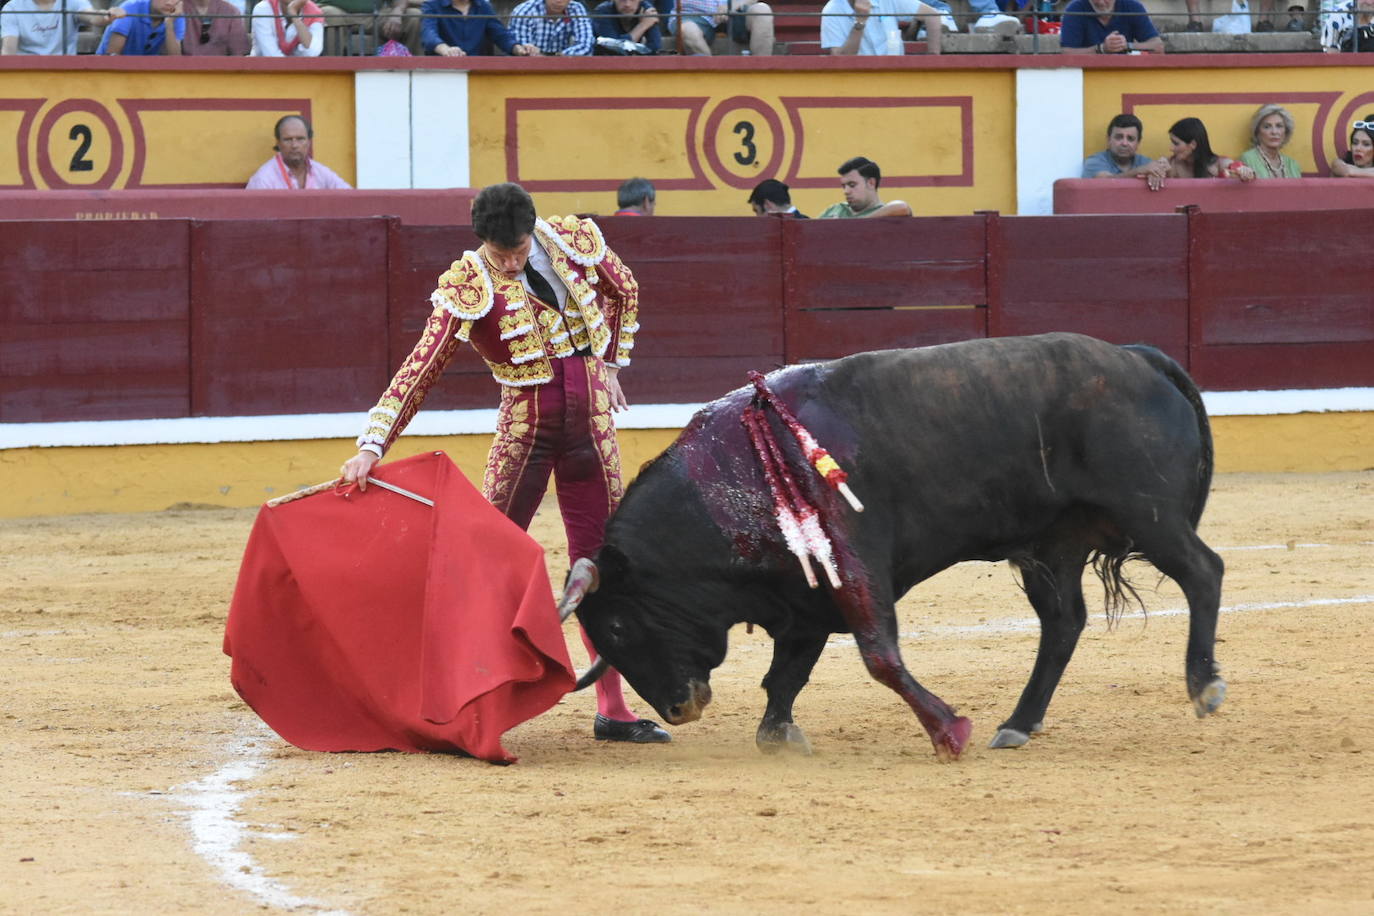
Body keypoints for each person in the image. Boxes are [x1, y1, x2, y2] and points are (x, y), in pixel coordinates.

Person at [340, 182, 670, 745]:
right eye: (501, 255)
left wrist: (612, 363)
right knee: (484, 559)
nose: (512, 263)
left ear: (533, 229)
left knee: (603, 560)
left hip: (592, 423)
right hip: (526, 430)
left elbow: (625, 289)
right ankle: (462, 698)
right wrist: (372, 445)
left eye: (518, 250)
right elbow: (420, 369)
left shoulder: (569, 241)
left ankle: (612, 708)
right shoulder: (469, 283)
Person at [1144, 116, 1255, 190]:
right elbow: (1131, 176)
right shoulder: (1169, 164)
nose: (1171, 148)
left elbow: (1238, 169)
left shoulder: (1219, 164)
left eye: (1176, 143)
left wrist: (1246, 172)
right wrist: (1154, 172)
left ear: (1192, 144)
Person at [245, 115, 352, 189]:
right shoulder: (263, 179)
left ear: (309, 142)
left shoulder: (320, 171)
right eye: (288, 139)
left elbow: (350, 197)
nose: (294, 145)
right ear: (278, 143)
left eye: (300, 139)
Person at [820, 0, 943, 56]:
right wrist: (860, 22)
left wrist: (933, 56)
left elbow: (932, 15)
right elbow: (841, 58)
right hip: (857, 76)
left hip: (896, 72)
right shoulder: (832, 10)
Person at [1, 0, 124, 55]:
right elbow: (8, 50)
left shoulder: (73, 2)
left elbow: (93, 17)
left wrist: (107, 15)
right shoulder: (12, 8)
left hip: (64, 71)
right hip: (26, 73)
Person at [422, 0, 537, 55]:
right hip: (441, 69)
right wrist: (446, 50)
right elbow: (429, 35)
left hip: (477, 70)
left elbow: (501, 36)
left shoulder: (484, 6)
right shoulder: (432, 5)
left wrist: (519, 49)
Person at [665, 0, 775, 56]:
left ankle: (760, 72)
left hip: (733, 13)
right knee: (687, 30)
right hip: (692, 15)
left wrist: (729, 7)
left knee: (763, 10)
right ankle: (712, 78)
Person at [818, 156, 912, 218]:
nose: (846, 191)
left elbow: (902, 207)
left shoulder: (886, 214)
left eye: (852, 185)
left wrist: (856, 225)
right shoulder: (835, 210)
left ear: (871, 183)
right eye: (844, 186)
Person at [1059, 0, 1164, 54]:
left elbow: (1158, 47)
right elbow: (1066, 52)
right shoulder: (1074, 9)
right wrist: (1101, 49)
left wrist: (1127, 46)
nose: (1101, 2)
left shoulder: (1133, 6)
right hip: (1088, 75)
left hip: (1126, 72)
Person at [1081, 113, 1160, 178]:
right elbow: (1105, 182)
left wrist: (1161, 171)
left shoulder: (1145, 162)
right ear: (1108, 139)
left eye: (1130, 139)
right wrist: (1138, 171)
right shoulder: (1094, 161)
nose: (1124, 143)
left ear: (1138, 143)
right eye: (1119, 137)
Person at [97, 0, 185, 54]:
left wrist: (169, 23)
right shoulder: (130, 7)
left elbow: (174, 58)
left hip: (146, 71)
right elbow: (112, 55)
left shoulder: (176, 16)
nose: (169, 2)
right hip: (109, 69)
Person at [1239, 104, 1301, 179]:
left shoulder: (1292, 164)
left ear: (1286, 132)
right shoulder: (1248, 159)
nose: (1274, 132)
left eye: (1279, 126)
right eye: (1267, 127)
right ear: (1258, 132)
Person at [509, 0, 594, 55]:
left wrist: (558, 57)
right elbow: (521, 50)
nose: (559, 1)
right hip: (527, 68)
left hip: (563, 66)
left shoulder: (576, 8)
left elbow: (586, 45)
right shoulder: (525, 11)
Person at [249, 0, 322, 56]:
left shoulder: (314, 11)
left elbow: (312, 52)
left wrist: (294, 15)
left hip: (300, 71)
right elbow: (270, 55)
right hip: (261, 70)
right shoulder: (263, 8)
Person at [181, 0, 250, 55]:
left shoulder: (231, 11)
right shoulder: (178, 10)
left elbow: (238, 55)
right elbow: (173, 56)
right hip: (183, 70)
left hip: (222, 70)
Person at [591, 0, 660, 52]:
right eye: (622, 0)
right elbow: (613, 48)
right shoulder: (602, 11)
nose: (627, 4)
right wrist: (643, 26)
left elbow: (654, 47)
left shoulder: (647, 10)